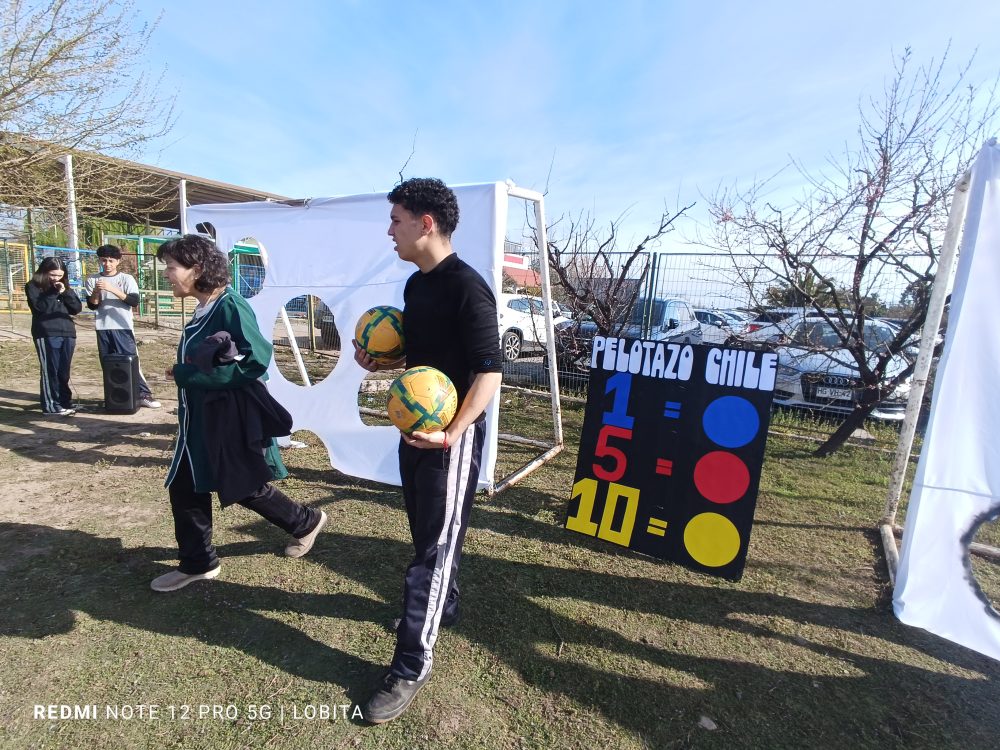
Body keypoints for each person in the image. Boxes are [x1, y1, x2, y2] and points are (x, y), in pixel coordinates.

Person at [353, 178, 503, 723]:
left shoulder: (469, 287)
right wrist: (384, 363)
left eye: (396, 220)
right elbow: (424, 361)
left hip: (450, 440)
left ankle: (410, 665)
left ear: (426, 223)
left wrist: (454, 432)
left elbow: (489, 372)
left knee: (431, 554)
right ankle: (446, 606)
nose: (389, 230)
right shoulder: (417, 286)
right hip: (413, 432)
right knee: (427, 532)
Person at [151, 234, 327, 593]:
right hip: (199, 419)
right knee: (186, 487)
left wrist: (189, 375)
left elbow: (255, 362)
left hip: (225, 417)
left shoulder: (230, 305)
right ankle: (199, 563)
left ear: (196, 269)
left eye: (171, 268)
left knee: (243, 485)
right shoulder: (204, 307)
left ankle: (305, 521)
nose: (167, 275)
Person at [85, 244, 160, 408]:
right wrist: (96, 292)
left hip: (123, 327)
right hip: (102, 327)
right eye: (104, 260)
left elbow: (133, 301)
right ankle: (116, 396)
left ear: (118, 261)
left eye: (111, 260)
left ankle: (143, 393)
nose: (107, 264)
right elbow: (92, 306)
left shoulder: (126, 279)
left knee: (131, 361)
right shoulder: (92, 279)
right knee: (108, 363)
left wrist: (111, 289)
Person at [25, 256, 82, 415]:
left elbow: (76, 308)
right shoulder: (33, 286)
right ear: (44, 272)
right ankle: (51, 405)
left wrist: (66, 293)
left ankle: (65, 402)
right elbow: (40, 307)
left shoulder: (64, 287)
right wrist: (53, 291)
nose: (56, 278)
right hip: (47, 332)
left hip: (67, 332)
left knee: (63, 371)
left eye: (59, 275)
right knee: (51, 370)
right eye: (52, 275)